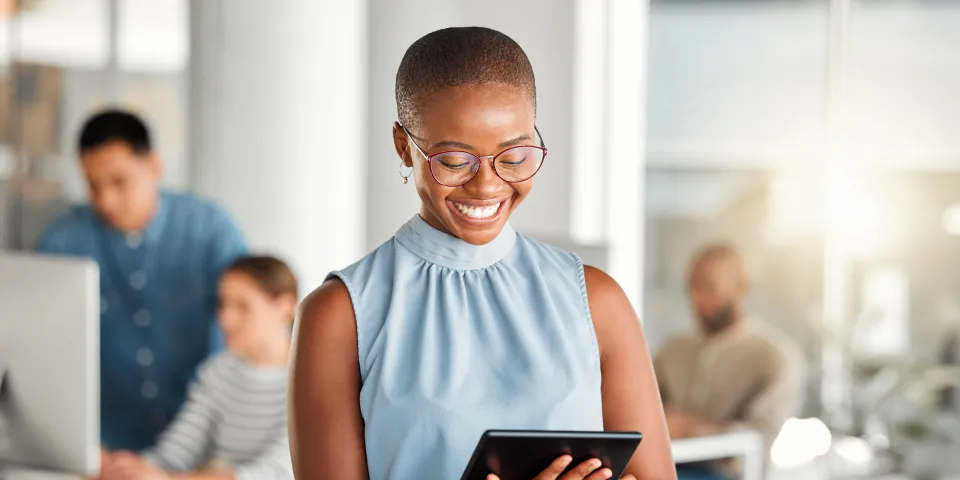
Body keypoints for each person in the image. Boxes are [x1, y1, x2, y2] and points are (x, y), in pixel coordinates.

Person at [288, 27, 676, 480]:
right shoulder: (340, 316)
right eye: (454, 160)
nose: (487, 185)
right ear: (403, 146)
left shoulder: (596, 301)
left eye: (514, 157)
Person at [35, 109, 248, 452]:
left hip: (202, 445)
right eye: (93, 186)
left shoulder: (212, 232)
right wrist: (83, 450)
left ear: (154, 167)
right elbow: (41, 353)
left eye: (119, 182)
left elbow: (252, 335)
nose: (105, 201)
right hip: (101, 449)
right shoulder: (63, 241)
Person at [101, 255, 297, 480]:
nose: (226, 319)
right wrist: (123, 468)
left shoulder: (306, 381)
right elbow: (174, 454)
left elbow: (275, 473)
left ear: (285, 307)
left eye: (243, 306)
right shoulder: (219, 371)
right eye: (223, 304)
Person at [654, 244, 805, 480]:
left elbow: (760, 438)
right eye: (691, 287)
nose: (697, 298)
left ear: (741, 287)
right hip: (664, 466)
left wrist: (689, 429)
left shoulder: (774, 358)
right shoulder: (671, 351)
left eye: (709, 286)